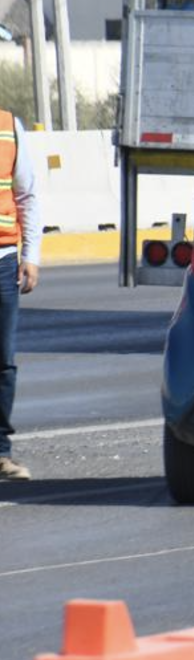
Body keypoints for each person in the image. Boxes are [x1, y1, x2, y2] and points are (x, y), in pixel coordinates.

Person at [0, 113, 39, 481]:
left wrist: (31, 256)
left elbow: (26, 194)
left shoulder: (8, 127)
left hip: (3, 262)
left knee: (3, 363)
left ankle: (0, 453)